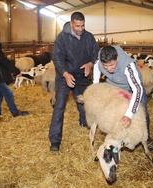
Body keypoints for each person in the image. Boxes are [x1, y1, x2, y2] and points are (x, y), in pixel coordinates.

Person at [49, 12, 99, 152]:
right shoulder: (62, 38)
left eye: (83, 25)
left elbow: (96, 52)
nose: (81, 28)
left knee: (84, 102)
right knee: (59, 106)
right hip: (65, 76)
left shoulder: (88, 37)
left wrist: (90, 63)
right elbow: (57, 58)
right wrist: (65, 73)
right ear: (71, 23)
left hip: (82, 75)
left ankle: (84, 122)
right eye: (78, 26)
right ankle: (55, 141)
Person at [93, 45, 153, 149]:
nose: (108, 69)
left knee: (142, 112)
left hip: (133, 88)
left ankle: (146, 138)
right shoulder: (99, 62)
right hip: (115, 88)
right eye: (105, 66)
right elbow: (96, 77)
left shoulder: (128, 65)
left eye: (112, 65)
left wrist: (129, 115)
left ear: (116, 58)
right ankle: (116, 136)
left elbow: (137, 89)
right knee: (114, 111)